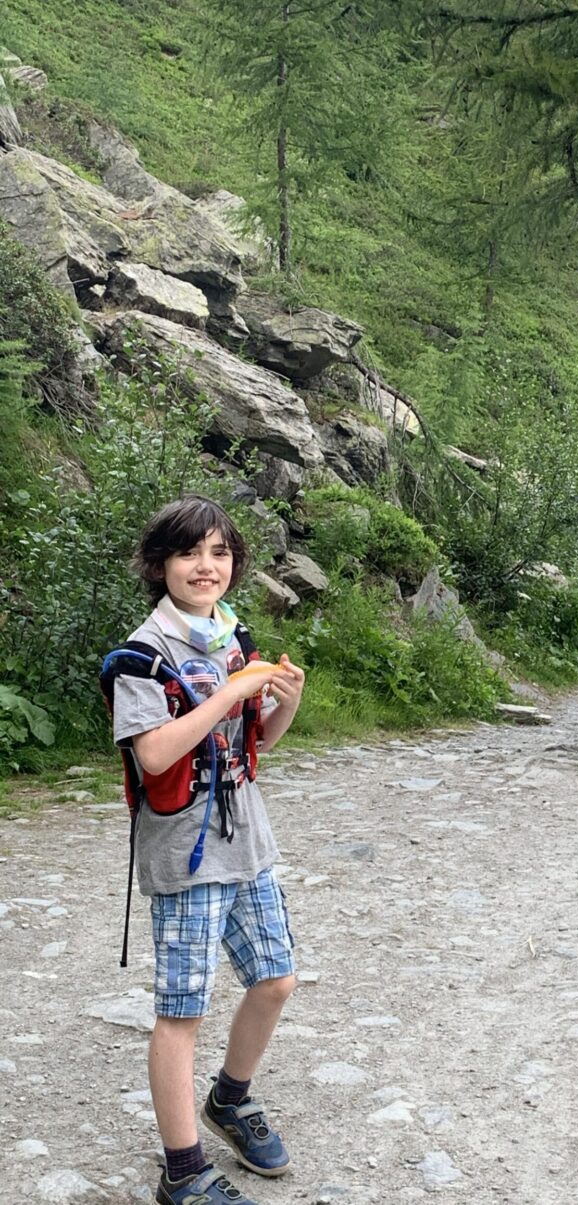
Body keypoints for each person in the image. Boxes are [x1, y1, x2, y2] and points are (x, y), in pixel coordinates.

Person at [109, 495, 306, 1205]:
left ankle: (230, 1098)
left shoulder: (232, 636)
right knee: (182, 1012)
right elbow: (156, 753)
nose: (206, 565)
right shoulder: (141, 655)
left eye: (220, 552)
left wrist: (284, 698)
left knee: (277, 976)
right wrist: (228, 692)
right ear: (160, 563)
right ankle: (183, 1169)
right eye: (190, 552)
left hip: (246, 840)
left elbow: (259, 743)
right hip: (185, 856)